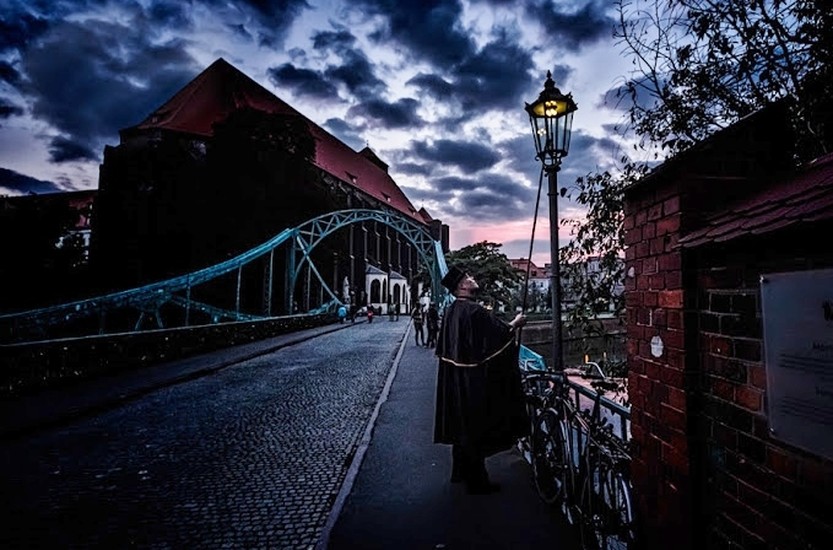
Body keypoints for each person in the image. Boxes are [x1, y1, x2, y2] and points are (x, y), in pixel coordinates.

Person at [433, 265, 529, 495]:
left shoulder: (452, 310)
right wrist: (516, 323)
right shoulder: (474, 311)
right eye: (468, 277)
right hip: (472, 381)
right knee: (475, 425)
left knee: (461, 425)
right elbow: (499, 335)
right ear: (461, 286)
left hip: (455, 380)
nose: (472, 278)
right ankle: (478, 482)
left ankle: (459, 472)